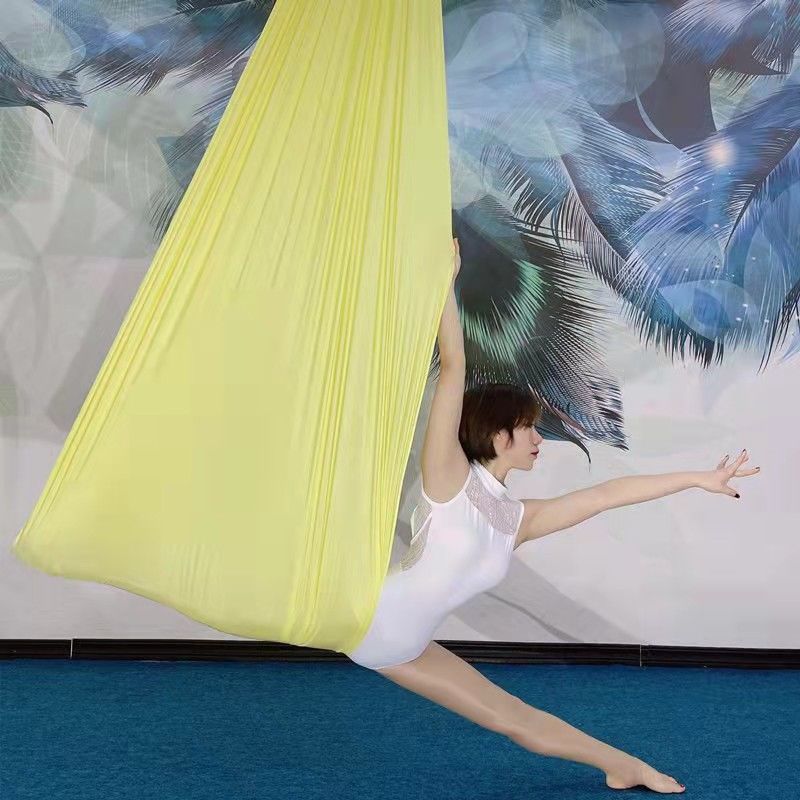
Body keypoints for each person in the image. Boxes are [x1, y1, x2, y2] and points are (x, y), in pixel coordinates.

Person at [345, 238, 760, 793]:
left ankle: (625, 766)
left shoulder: (515, 519)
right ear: (499, 435)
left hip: (401, 644)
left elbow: (605, 496)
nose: (539, 440)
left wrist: (696, 478)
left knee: (515, 720)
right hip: (360, 617)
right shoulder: (447, 480)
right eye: (529, 429)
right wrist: (445, 282)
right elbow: (454, 368)